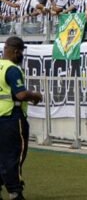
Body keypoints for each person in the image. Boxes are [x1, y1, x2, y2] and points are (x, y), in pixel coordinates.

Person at [0, 36, 43, 200]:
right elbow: (20, 94)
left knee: (2, 156)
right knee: (15, 156)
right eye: (22, 52)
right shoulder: (12, 69)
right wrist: (35, 95)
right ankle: (15, 192)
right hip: (12, 118)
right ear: (17, 51)